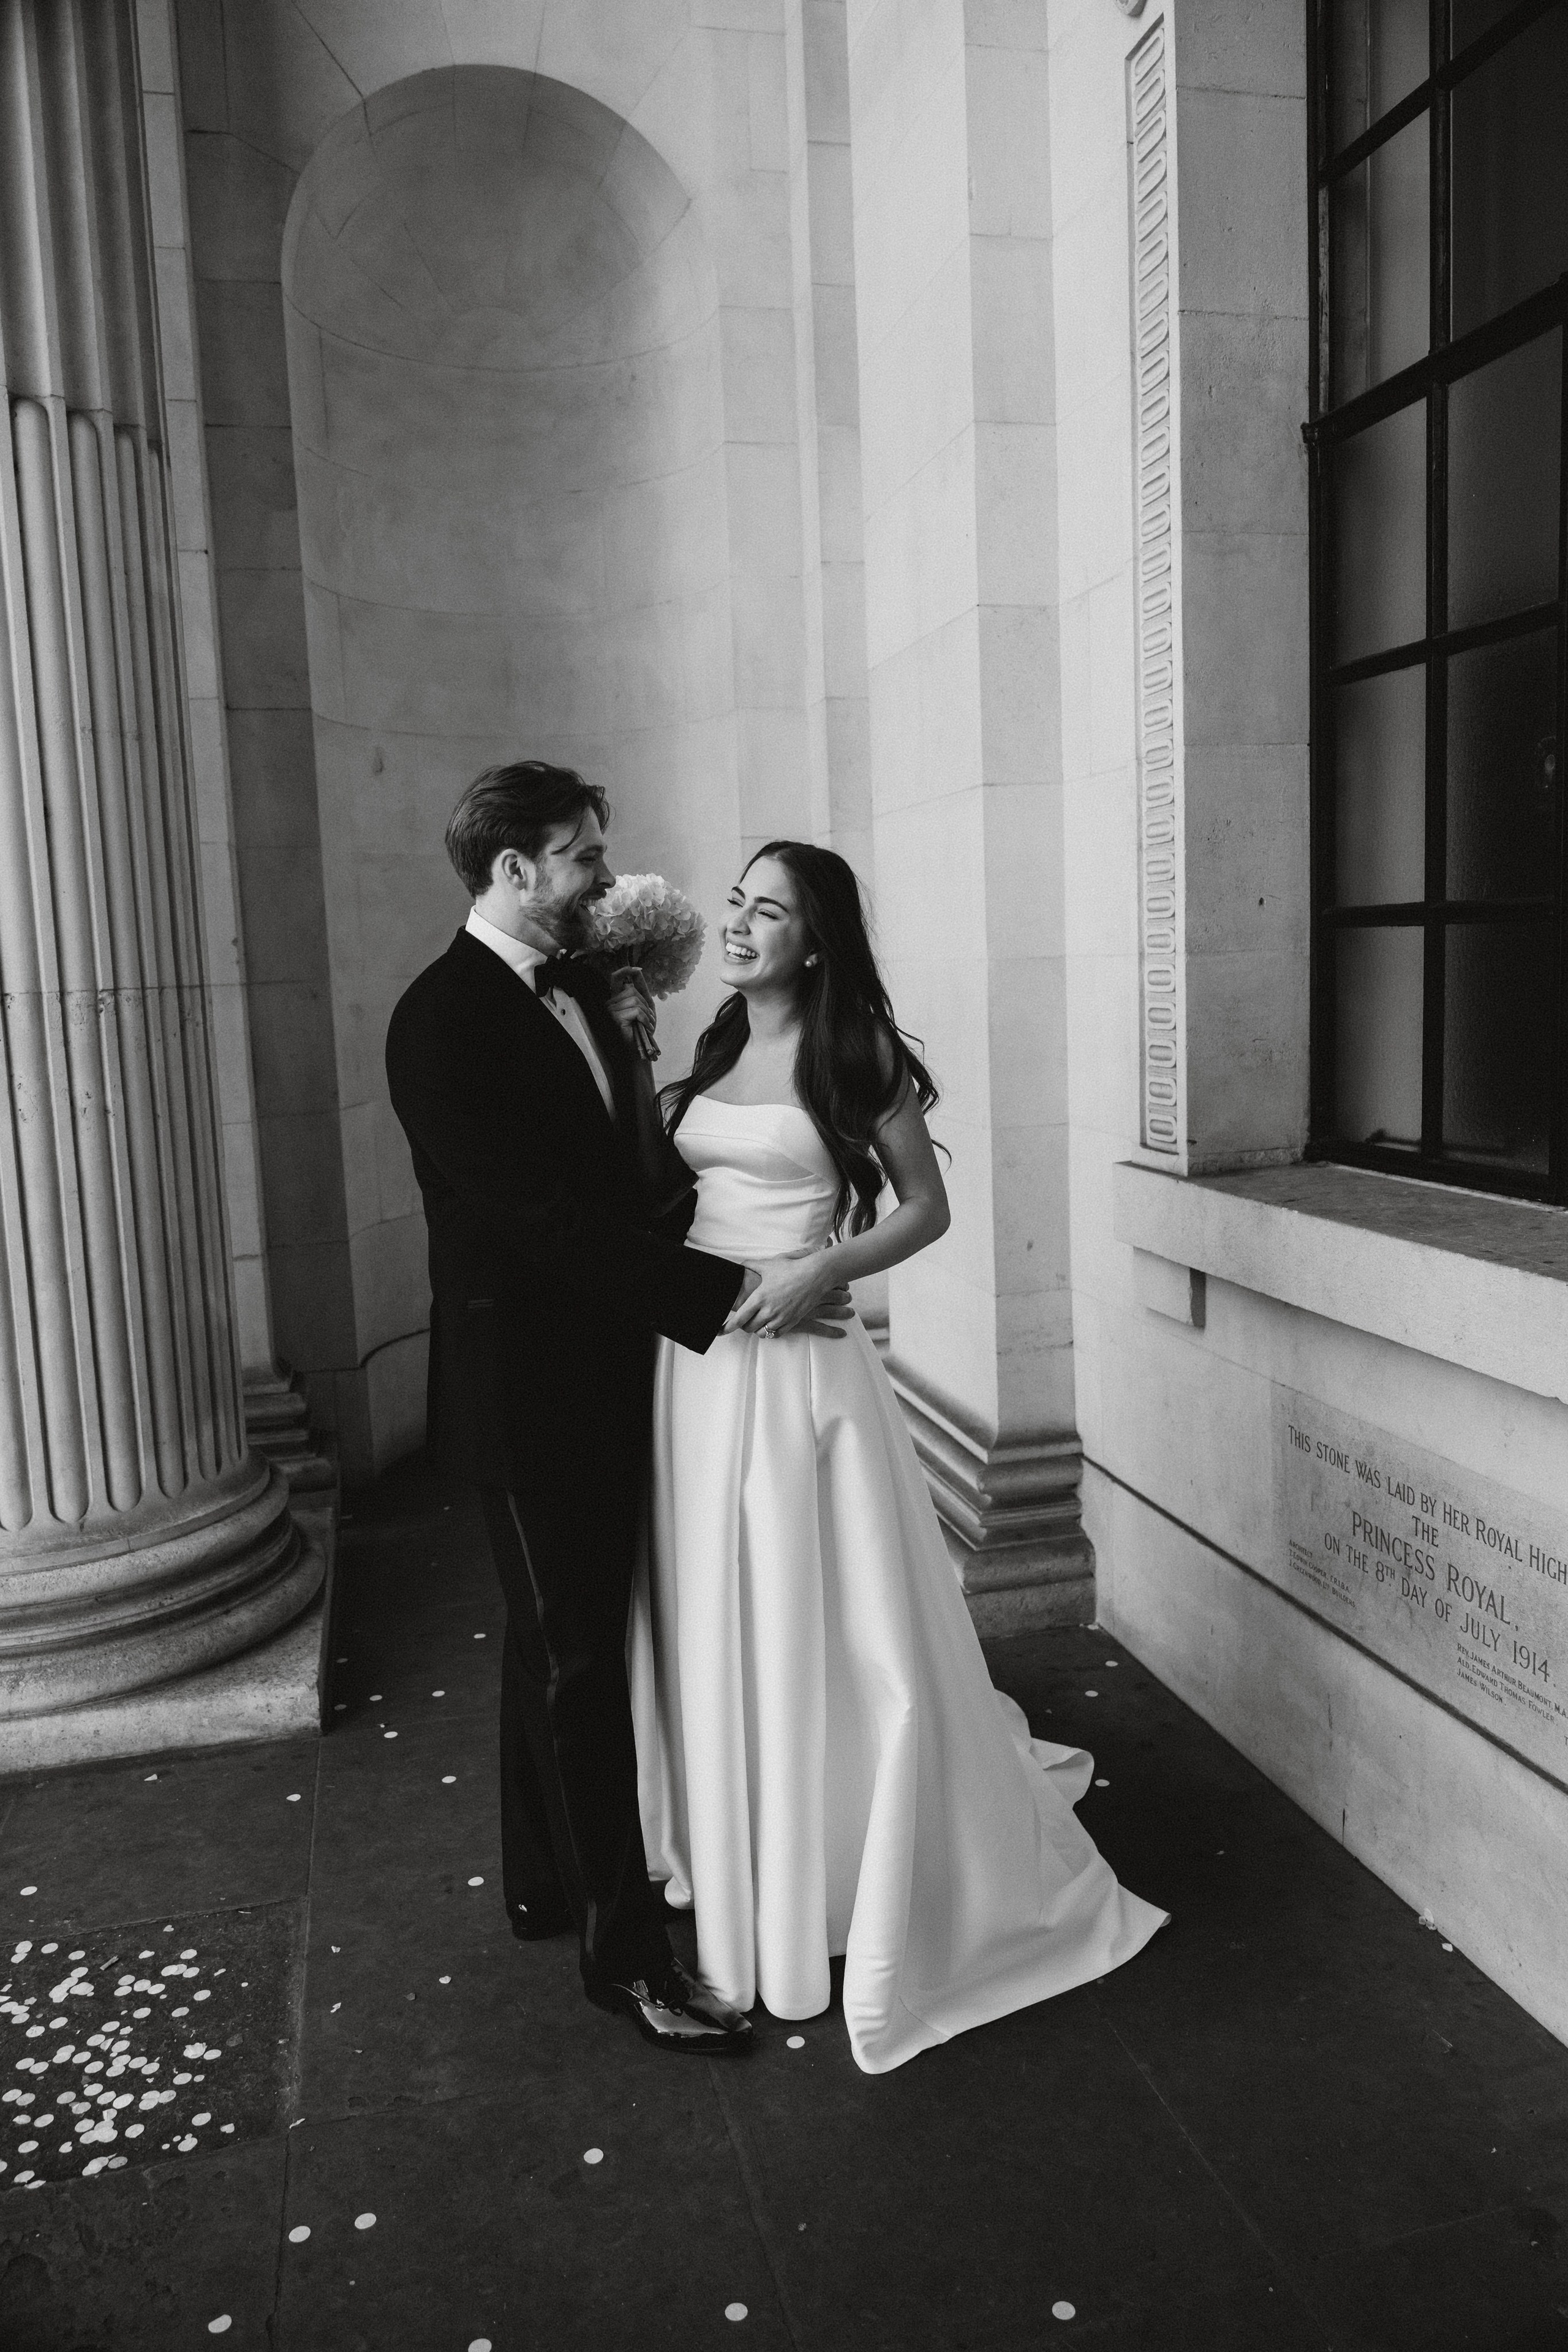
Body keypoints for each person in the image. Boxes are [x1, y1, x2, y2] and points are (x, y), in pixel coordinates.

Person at [628, 841, 1167, 2073]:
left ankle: (833, 1858)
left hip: (804, 1371)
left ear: (813, 941)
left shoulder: (853, 1053)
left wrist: (825, 1267)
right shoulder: (709, 1047)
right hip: (700, 1367)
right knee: (720, 1603)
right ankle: (740, 1836)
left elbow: (924, 1210)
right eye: (737, 903)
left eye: (770, 911)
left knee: (824, 1614)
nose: (741, 923)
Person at [385, 765, 850, 2056]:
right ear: (515, 870)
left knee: (559, 1636)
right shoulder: (436, 1023)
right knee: (576, 1654)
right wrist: (730, 1289)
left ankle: (538, 1876)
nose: (604, 871)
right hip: (522, 1388)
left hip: (624, 1370)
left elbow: (627, 1177)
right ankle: (625, 1959)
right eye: (583, 853)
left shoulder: (590, 989)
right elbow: (536, 1224)